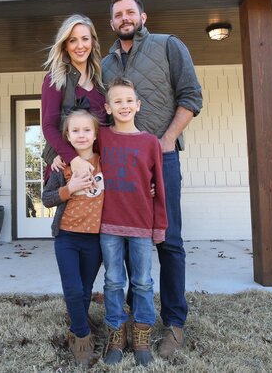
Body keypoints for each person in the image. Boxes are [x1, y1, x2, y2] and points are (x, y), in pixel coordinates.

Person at [101, 0, 203, 358]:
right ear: (112, 23)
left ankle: (174, 323)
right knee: (129, 240)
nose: (124, 18)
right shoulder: (106, 64)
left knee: (169, 240)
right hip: (121, 166)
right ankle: (133, 321)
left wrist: (167, 140)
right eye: (118, 15)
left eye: (130, 12)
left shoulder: (168, 45)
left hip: (162, 158)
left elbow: (191, 97)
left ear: (143, 16)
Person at [98, 78, 167, 366]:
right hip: (109, 224)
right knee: (113, 281)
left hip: (140, 225)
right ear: (108, 108)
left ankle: (141, 336)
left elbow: (158, 187)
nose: (124, 105)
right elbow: (77, 145)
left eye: (129, 100)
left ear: (138, 105)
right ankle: (117, 335)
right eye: (117, 101)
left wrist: (159, 226)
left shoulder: (150, 142)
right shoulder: (101, 137)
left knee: (142, 282)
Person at [41, 109, 104, 368]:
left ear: (95, 134)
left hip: (95, 239)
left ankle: (76, 325)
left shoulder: (105, 162)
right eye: (75, 130)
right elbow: (46, 198)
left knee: (85, 290)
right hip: (66, 237)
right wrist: (69, 189)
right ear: (66, 135)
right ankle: (81, 338)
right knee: (73, 288)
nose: (81, 135)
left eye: (87, 130)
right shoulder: (60, 165)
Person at [41, 14, 107, 182]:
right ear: (65, 46)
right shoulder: (55, 80)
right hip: (66, 168)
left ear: (92, 42)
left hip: (98, 170)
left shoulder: (102, 82)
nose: (80, 46)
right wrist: (73, 159)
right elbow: (49, 126)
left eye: (85, 39)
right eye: (72, 40)